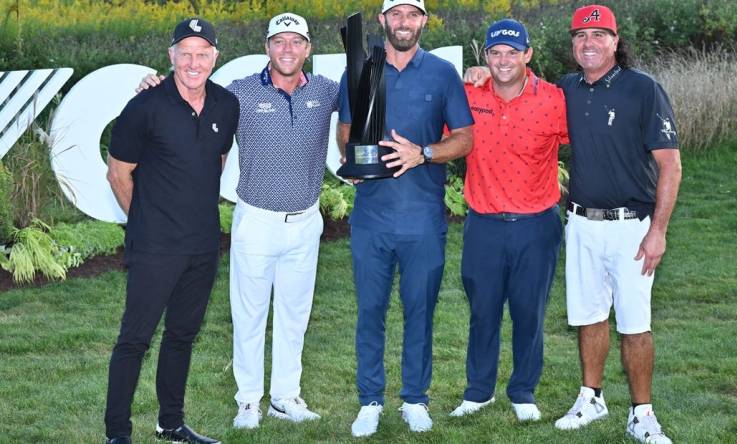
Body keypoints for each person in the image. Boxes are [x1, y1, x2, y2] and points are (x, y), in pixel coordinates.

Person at [135, 12, 338, 430]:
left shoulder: (327, 91)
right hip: (257, 221)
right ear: (266, 47)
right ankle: (249, 401)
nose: (287, 49)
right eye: (279, 42)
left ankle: (285, 396)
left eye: (296, 42)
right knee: (249, 315)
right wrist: (152, 87)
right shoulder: (239, 94)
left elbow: (375, 94)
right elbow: (188, 94)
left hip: (305, 222)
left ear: (308, 49)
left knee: (294, 314)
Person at [336, 0, 474, 437]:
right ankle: (370, 400)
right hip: (372, 219)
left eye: (412, 15)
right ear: (382, 21)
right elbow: (345, 128)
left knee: (420, 311)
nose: (403, 22)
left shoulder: (442, 73)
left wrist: (425, 153)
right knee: (370, 312)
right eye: (396, 14)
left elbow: (465, 138)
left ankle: (415, 398)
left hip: (423, 220)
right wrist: (352, 158)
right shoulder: (360, 69)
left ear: (423, 22)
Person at [104, 18, 239, 444]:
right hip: (155, 247)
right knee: (135, 340)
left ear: (215, 57)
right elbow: (118, 174)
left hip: (202, 245)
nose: (193, 62)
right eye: (186, 53)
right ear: (171, 56)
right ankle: (117, 433)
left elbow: (213, 162)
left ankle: (171, 423)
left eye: (203, 53)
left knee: (182, 336)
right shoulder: (143, 107)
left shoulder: (225, 105)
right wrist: (145, 219)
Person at [552, 5, 681, 444]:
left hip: (632, 227)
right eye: (580, 36)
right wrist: (478, 72)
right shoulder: (565, 88)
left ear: (614, 40)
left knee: (634, 323)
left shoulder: (642, 89)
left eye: (598, 35)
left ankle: (641, 413)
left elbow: (671, 165)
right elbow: (516, 89)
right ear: (572, 44)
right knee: (588, 316)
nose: (588, 44)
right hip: (582, 223)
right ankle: (592, 397)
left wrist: (658, 230)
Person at [448, 19, 567, 423]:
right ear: (485, 56)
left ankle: (523, 391)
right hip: (483, 223)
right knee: (483, 311)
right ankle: (478, 391)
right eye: (495, 53)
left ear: (527, 55)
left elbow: (584, 143)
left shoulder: (552, 99)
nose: (503, 61)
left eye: (512, 53)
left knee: (529, 311)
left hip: (536, 225)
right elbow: (443, 136)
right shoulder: (467, 95)